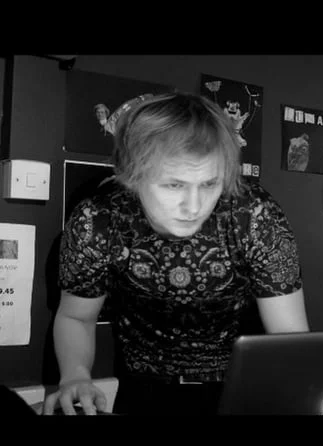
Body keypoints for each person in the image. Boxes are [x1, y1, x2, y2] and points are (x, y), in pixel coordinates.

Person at [43, 91, 309, 416]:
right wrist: (75, 376)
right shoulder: (98, 219)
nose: (194, 207)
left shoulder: (254, 215)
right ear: (132, 176)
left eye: (209, 184)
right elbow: (76, 316)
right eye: (173, 185)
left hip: (242, 387)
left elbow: (288, 335)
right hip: (143, 389)